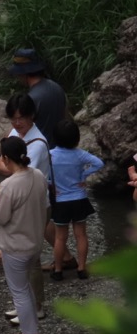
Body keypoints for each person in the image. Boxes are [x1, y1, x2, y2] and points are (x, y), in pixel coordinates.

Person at [0, 137, 49, 334]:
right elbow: (26, 202)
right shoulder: (37, 175)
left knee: (19, 292)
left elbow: (0, 217)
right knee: (25, 289)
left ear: (6, 159)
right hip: (34, 243)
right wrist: (2, 195)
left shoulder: (9, 184)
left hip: (16, 248)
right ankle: (29, 332)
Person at [49, 120, 104, 280]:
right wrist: (84, 175)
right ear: (76, 138)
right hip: (79, 198)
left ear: (55, 138)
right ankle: (81, 268)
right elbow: (99, 163)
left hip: (60, 200)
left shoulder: (50, 155)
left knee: (60, 237)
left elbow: (44, 174)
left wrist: (51, 184)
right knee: (81, 235)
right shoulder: (80, 154)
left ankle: (58, 270)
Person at [7, 48, 69, 149]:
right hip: (60, 147)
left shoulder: (30, 99)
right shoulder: (56, 87)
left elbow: (21, 131)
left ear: (23, 74)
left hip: (41, 150)